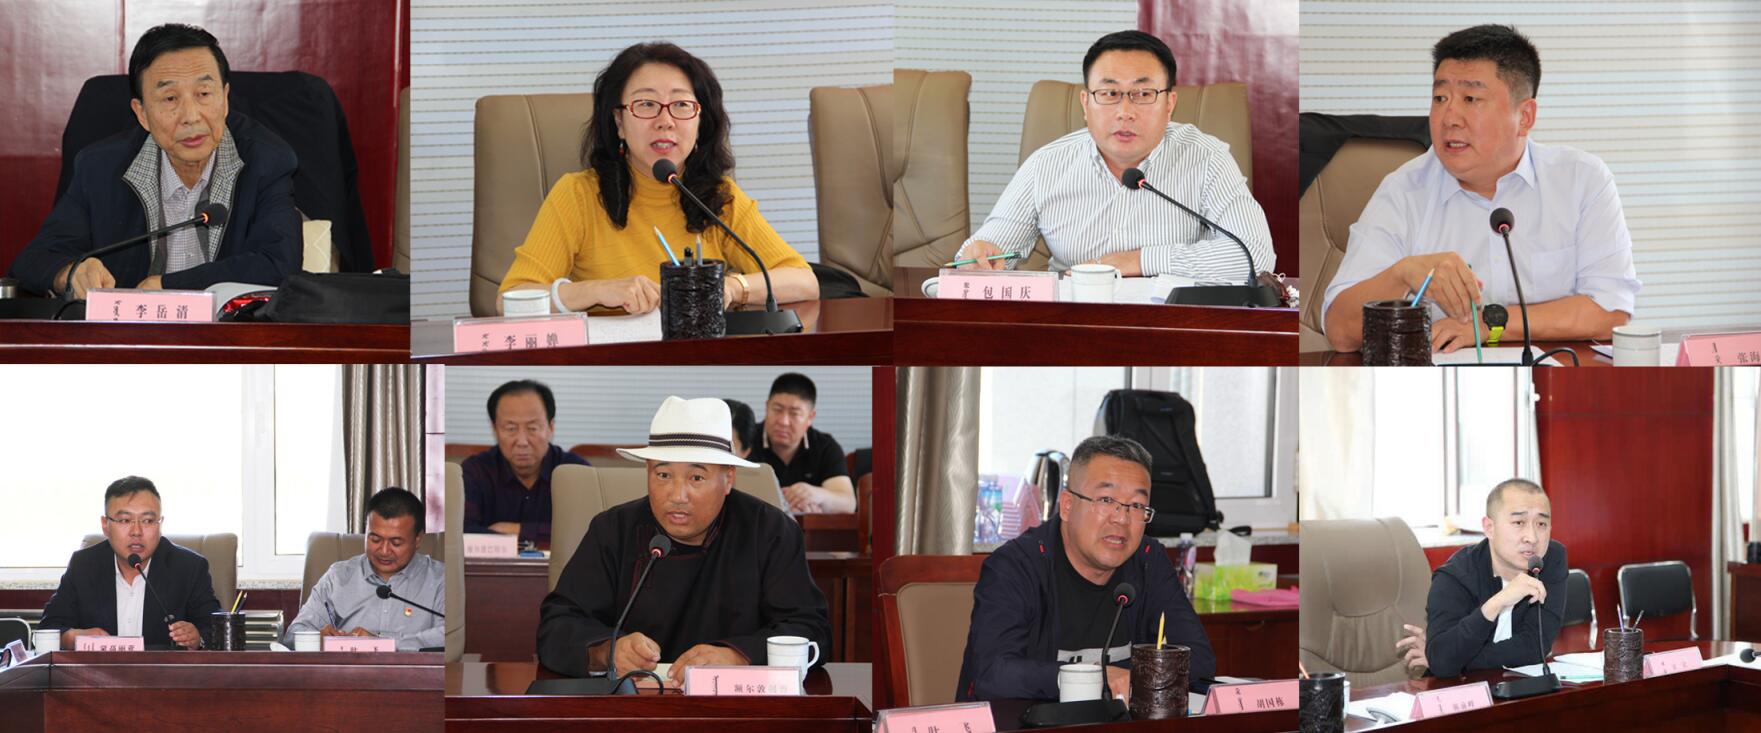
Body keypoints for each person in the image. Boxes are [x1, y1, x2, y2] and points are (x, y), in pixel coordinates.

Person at [1321, 25, 1639, 353]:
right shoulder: (1404, 190)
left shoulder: (1581, 180)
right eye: (1440, 98)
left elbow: (1611, 311)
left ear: (1525, 116)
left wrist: (1488, 324)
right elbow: (1340, 331)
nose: (1449, 117)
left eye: (1471, 99)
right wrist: (1403, 273)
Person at [496, 42, 818, 314]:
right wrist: (597, 291)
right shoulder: (578, 195)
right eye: (647, 104)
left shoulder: (718, 197)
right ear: (619, 122)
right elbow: (510, 299)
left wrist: (731, 287)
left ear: (700, 122)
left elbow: (803, 281)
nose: (665, 121)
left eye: (681, 105)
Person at [538, 396, 832, 685]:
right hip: (635, 704)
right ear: (647, 472)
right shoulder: (613, 530)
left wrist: (739, 656)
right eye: (663, 474)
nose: (677, 496)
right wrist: (607, 652)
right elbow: (556, 627)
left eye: (696, 478)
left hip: (735, 705)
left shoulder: (769, 531)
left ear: (728, 478)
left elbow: (810, 629)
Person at [8, 23, 299, 298]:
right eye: (170, 98)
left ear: (224, 99)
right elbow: (34, 260)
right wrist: (70, 273)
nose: (191, 116)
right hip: (127, 333)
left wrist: (168, 286)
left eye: (203, 94)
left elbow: (280, 264)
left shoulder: (267, 161)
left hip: (230, 332)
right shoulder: (100, 168)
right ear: (142, 113)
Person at [956, 30, 1272, 281]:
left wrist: (1139, 261)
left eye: (1143, 94)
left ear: (1169, 104)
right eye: (1109, 93)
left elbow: (1255, 256)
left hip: (1171, 322)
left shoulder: (1206, 158)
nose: (1125, 112)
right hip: (1075, 320)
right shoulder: (1047, 164)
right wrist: (980, 255)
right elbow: (990, 249)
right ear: (1086, 103)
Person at [956, 436, 1215, 702]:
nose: (1121, 518)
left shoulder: (1148, 561)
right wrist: (1094, 677)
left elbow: (1199, 659)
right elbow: (993, 673)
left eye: (1137, 505)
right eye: (1106, 500)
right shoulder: (1016, 566)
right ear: (1068, 506)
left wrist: (1130, 677)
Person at [1396, 478, 1566, 677]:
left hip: (1517, 686)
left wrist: (1455, 660)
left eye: (1542, 524)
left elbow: (1535, 647)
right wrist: (1497, 603)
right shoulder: (1455, 577)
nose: (1532, 537)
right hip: (1459, 690)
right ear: (1489, 528)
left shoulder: (1551, 559)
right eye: (1518, 523)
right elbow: (1443, 665)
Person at [41, 476, 220, 650]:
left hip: (162, 671)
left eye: (147, 521)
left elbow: (216, 630)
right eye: (125, 520)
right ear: (105, 525)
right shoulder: (84, 566)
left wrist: (198, 638)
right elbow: (49, 628)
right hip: (99, 671)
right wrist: (73, 638)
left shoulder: (189, 568)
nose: (136, 531)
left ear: (160, 524)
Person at [285, 488, 445, 651]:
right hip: (347, 667)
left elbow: (447, 636)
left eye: (396, 543)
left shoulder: (440, 579)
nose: (384, 551)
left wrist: (382, 643)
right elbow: (292, 635)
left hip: (415, 668)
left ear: (418, 539)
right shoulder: (338, 577)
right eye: (375, 539)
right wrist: (316, 639)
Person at [461, 379, 589, 546]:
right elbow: (461, 533)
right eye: (511, 428)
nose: (522, 441)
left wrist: (517, 530)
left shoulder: (576, 472)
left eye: (532, 428)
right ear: (495, 429)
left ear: (550, 428)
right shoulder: (475, 472)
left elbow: (587, 531)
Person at [749, 373, 856, 514]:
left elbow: (848, 503)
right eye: (777, 409)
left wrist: (817, 495)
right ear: (767, 406)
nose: (783, 421)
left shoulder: (825, 446)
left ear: (810, 417)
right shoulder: (746, 439)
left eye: (794, 413)